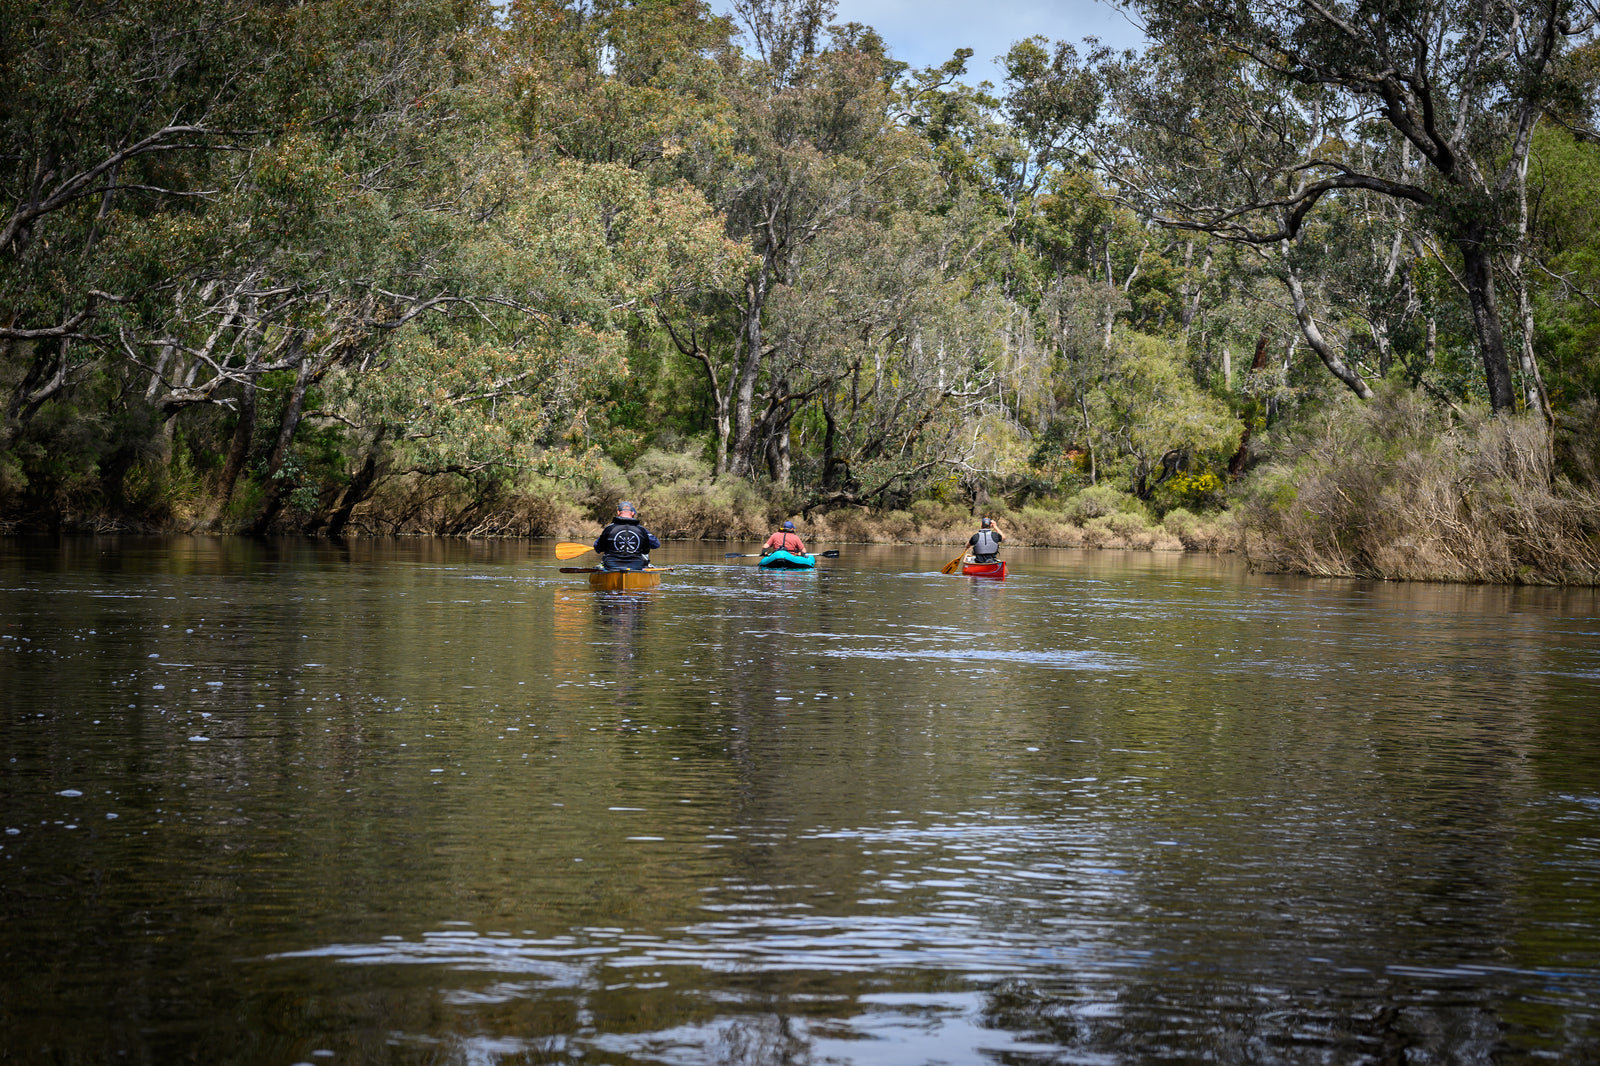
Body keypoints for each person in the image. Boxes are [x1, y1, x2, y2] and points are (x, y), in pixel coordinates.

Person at [593, 501, 660, 571]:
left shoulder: (609, 528)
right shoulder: (641, 530)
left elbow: (598, 548)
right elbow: (646, 550)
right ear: (633, 513)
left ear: (618, 513)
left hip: (612, 566)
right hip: (636, 566)